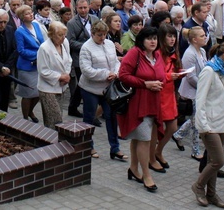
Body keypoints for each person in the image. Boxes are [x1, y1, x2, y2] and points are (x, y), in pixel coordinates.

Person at [192, 40, 224, 208]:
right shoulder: (208, 71)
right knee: (218, 161)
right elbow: (200, 100)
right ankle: (198, 186)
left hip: (222, 122)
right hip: (209, 124)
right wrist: (203, 125)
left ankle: (211, 194)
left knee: (212, 160)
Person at [118, 26, 166, 193]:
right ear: (142, 40)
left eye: (155, 38)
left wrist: (164, 79)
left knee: (139, 138)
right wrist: (145, 84)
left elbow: (160, 74)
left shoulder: (157, 54)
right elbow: (123, 75)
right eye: (149, 38)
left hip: (154, 101)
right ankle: (147, 175)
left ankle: (133, 168)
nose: (153, 41)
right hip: (138, 102)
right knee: (145, 139)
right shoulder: (134, 53)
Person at [79, 20, 125, 160]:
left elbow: (116, 62)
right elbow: (86, 70)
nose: (102, 38)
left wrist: (116, 73)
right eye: (99, 35)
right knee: (89, 118)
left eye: (104, 34)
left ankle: (115, 148)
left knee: (111, 117)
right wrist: (106, 74)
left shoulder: (110, 44)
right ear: (92, 34)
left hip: (107, 88)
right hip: (90, 89)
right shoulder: (86, 48)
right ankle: (88, 145)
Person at [173, 27, 208, 157]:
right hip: (192, 92)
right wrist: (203, 85)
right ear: (194, 39)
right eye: (202, 36)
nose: (205, 37)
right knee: (196, 122)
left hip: (200, 90)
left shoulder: (202, 51)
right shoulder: (189, 54)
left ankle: (178, 135)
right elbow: (190, 76)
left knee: (195, 119)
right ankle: (195, 150)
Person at [150, 24, 181, 172]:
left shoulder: (173, 53)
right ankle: (151, 158)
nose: (172, 39)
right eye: (169, 36)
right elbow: (156, 74)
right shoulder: (157, 54)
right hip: (159, 94)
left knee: (173, 127)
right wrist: (170, 76)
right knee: (155, 130)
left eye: (174, 36)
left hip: (170, 94)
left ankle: (158, 151)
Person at [37, 21, 72, 128]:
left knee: (58, 116)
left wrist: (66, 75)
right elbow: (43, 70)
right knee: (54, 119)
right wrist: (60, 77)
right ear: (51, 34)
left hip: (62, 87)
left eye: (64, 35)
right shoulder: (44, 48)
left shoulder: (64, 43)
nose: (63, 38)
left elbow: (68, 60)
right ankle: (51, 141)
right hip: (48, 89)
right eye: (60, 35)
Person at [15, 4, 46, 122]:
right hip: (27, 66)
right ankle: (24, 117)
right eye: (27, 13)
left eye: (31, 12)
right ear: (22, 17)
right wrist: (37, 54)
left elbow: (42, 41)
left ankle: (30, 111)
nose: (31, 14)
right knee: (28, 94)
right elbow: (21, 50)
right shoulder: (19, 31)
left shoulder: (36, 25)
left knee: (38, 93)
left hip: (38, 65)